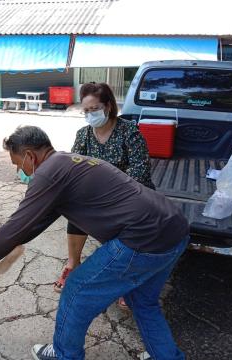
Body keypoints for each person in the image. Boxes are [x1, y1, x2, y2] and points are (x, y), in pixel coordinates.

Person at [0, 126, 190, 360]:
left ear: (30, 156)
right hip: (174, 229)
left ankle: (65, 354)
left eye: (17, 164)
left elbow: (16, 226)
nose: (20, 171)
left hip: (143, 239)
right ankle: (166, 356)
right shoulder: (69, 162)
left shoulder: (47, 173)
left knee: (76, 290)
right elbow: (35, 223)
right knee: (144, 301)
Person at [53, 83, 155, 313]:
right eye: (86, 110)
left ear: (108, 106)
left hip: (131, 193)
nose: (90, 115)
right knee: (75, 210)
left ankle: (128, 281)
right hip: (97, 194)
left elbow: (140, 171)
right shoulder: (84, 135)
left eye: (95, 108)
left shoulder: (130, 132)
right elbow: (74, 167)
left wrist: (108, 195)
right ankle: (72, 264)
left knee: (126, 229)